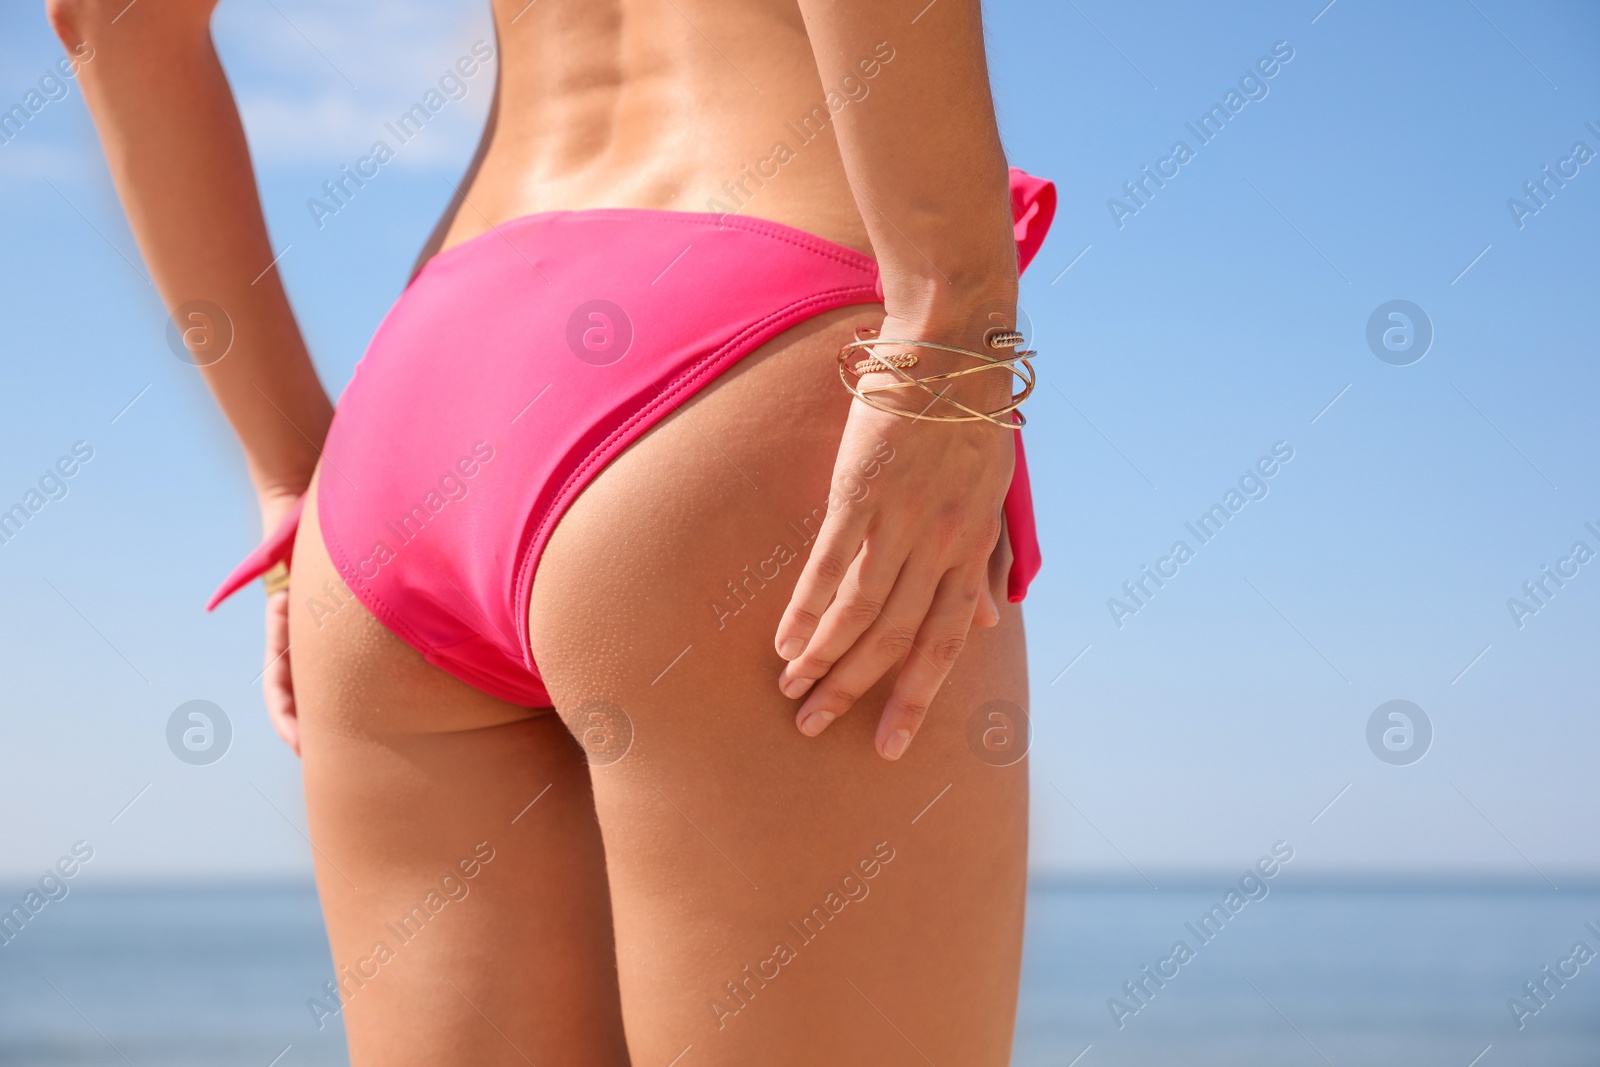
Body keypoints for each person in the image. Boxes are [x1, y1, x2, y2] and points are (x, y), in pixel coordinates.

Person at [49, 0, 1055, 1062]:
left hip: (419, 414)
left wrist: (289, 474)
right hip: (743, 333)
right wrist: (950, 330)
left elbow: (107, 20)